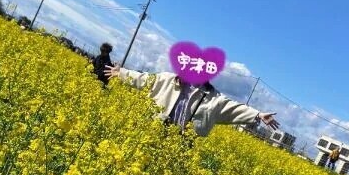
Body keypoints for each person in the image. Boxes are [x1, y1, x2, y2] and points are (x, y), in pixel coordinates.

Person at [104, 65, 279, 137]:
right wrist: (122, 73)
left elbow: (233, 108)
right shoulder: (168, 79)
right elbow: (144, 79)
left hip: (181, 140)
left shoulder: (213, 98)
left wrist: (258, 114)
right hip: (152, 130)